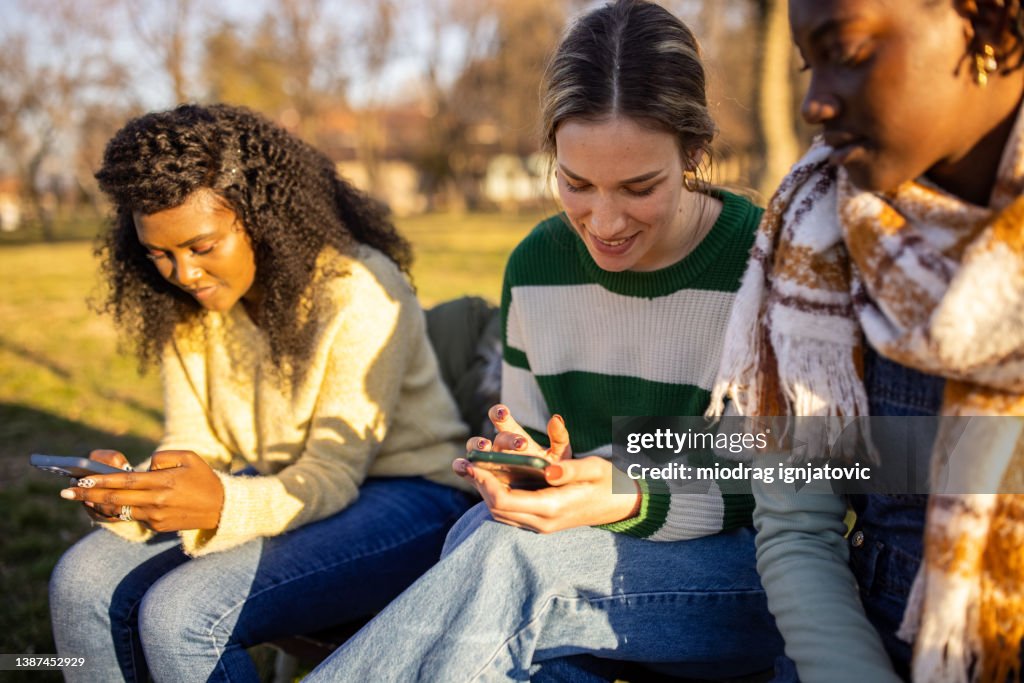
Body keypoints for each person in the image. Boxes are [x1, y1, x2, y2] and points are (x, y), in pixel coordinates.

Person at [306, 1, 789, 680]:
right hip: (574, 556)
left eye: (640, 186)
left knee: (511, 559)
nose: (604, 221)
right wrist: (529, 466)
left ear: (695, 152)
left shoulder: (768, 263)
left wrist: (629, 491)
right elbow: (537, 434)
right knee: (487, 546)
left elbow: (802, 468)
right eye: (576, 182)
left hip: (742, 582)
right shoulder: (537, 266)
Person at [48, 103, 477, 682]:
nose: (183, 274)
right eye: (159, 254)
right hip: (279, 483)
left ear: (260, 216)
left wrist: (224, 504)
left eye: (201, 247)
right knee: (79, 581)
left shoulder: (359, 290)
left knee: (183, 616)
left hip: (414, 496)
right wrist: (133, 494)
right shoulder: (186, 307)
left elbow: (330, 472)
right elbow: (195, 443)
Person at [707, 0, 1024, 680]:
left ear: (990, 24)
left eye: (845, 53)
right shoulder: (815, 232)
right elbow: (799, 529)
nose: (814, 103)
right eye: (806, 64)